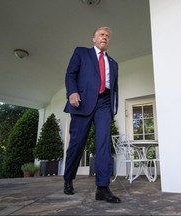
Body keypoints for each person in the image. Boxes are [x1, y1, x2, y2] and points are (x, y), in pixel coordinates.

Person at [63, 27, 120, 203]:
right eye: (101, 34)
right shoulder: (81, 53)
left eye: (108, 36)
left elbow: (114, 88)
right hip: (82, 102)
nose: (105, 37)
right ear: (93, 39)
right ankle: (68, 179)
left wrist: (113, 107)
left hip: (104, 104)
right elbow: (70, 74)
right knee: (77, 143)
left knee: (103, 143)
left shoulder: (114, 63)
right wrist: (72, 92)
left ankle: (102, 188)